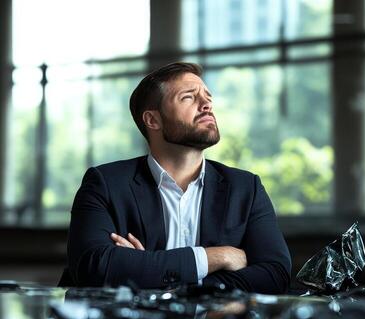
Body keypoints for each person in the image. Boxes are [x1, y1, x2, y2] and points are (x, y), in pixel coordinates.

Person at [59, 62, 291, 294]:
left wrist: (152, 272)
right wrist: (215, 257)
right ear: (153, 120)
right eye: (188, 98)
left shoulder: (245, 188)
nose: (207, 104)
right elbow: (93, 268)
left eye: (207, 96)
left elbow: (275, 275)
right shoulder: (105, 184)